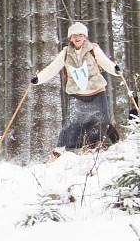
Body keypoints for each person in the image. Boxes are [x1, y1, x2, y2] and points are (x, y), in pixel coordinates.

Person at [32, 22, 121, 158]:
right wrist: (38, 79)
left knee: (102, 119)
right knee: (74, 123)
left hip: (97, 91)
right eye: (74, 35)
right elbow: (52, 68)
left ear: (85, 36)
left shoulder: (93, 49)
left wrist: (115, 69)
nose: (77, 37)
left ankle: (93, 147)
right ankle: (65, 151)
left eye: (80, 34)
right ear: (70, 38)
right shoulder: (66, 53)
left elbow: (105, 62)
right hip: (77, 94)